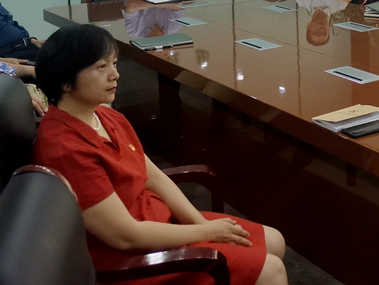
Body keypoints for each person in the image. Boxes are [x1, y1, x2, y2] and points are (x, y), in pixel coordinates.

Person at [32, 24, 287, 285]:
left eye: (114, 64)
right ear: (65, 81)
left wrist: (201, 226)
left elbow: (154, 177)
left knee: (275, 240)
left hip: (159, 224)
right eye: (101, 67)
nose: (115, 75)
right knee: (271, 270)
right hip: (134, 259)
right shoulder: (65, 148)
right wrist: (207, 232)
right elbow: (126, 236)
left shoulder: (105, 115)